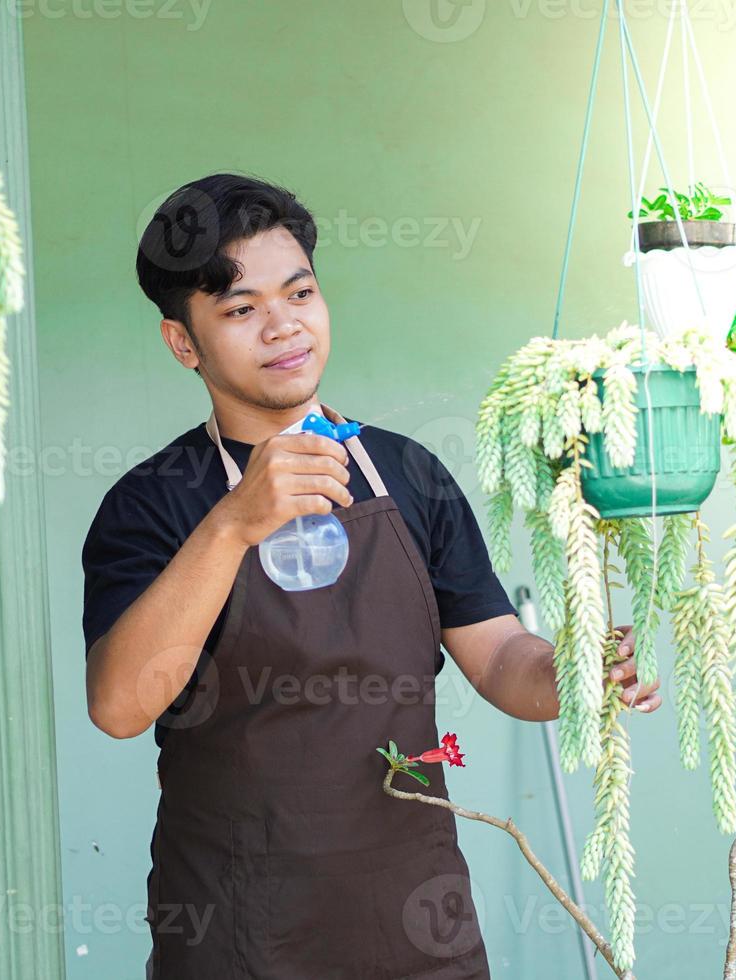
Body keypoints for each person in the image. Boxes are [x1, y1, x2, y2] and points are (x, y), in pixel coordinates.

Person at [82, 173, 663, 978]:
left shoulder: (409, 474)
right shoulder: (153, 504)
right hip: (237, 930)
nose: (283, 327)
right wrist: (233, 525)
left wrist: (576, 671)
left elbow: (499, 659)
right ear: (184, 342)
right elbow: (118, 705)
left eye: (300, 293)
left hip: (417, 922)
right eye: (241, 310)